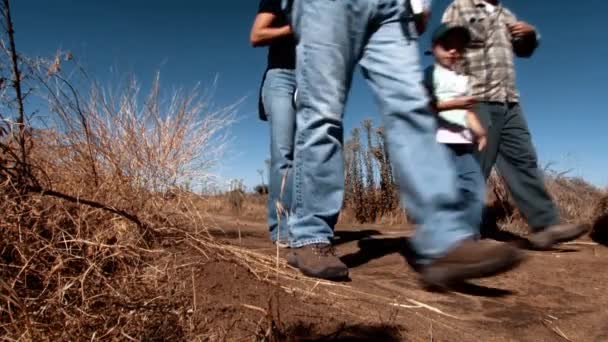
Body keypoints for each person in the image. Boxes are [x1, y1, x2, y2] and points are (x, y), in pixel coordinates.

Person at [284, 0, 524, 287]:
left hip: (392, 8)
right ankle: (310, 235)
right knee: (323, 114)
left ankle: (444, 238)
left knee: (413, 110)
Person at [441, 0, 589, 249]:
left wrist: (530, 35)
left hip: (509, 100)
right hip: (475, 96)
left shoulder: (505, 13)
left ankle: (545, 226)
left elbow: (524, 51)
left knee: (523, 161)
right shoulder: (460, 6)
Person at [423, 23, 486, 238]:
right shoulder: (430, 74)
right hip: (438, 142)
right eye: (447, 46)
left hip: (464, 145)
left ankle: (468, 237)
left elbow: (469, 112)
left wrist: (480, 132)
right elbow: (426, 105)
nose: (453, 51)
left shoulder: (463, 80)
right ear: (433, 48)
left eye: (458, 48)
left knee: (474, 187)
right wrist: (454, 104)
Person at [250, 0, 296, 247]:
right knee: (284, 153)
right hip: (282, 76)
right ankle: (282, 230)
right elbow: (256, 35)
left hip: (315, 78)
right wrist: (295, 28)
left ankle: (309, 229)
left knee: (313, 156)